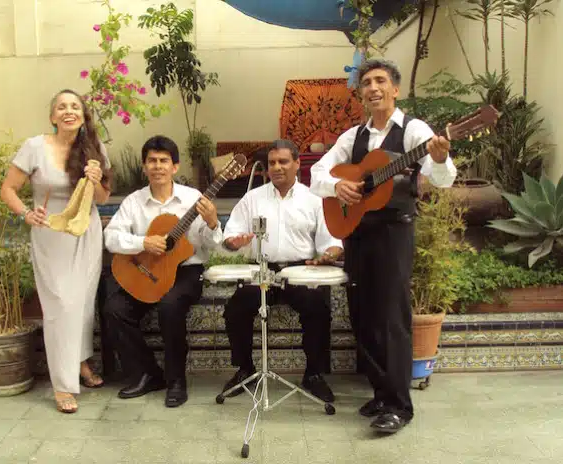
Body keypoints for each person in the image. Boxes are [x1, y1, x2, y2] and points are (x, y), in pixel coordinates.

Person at [309, 59, 457, 433]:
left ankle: (398, 405)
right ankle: (380, 392)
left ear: (395, 89)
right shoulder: (352, 136)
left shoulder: (414, 130)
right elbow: (316, 173)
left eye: (380, 81)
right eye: (366, 83)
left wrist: (438, 159)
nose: (372, 87)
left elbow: (442, 180)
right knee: (362, 315)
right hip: (357, 232)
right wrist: (336, 187)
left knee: (391, 317)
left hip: (393, 232)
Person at [0, 89, 112, 414]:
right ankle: (63, 385)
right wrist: (25, 213)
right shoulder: (35, 146)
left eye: (74, 106)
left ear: (82, 114)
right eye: (61, 107)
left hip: (85, 232)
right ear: (53, 116)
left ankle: (80, 363)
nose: (68, 111)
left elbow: (103, 198)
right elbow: (8, 189)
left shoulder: (94, 147)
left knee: (82, 303)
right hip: (51, 234)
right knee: (60, 304)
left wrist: (98, 179)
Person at [101, 135, 222, 408]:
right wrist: (142, 242)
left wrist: (213, 222)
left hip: (186, 273)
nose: (158, 166)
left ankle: (176, 380)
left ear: (175, 167)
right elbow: (111, 238)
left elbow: (213, 245)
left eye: (163, 161)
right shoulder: (133, 202)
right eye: (152, 161)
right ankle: (147, 373)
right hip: (148, 271)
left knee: (170, 306)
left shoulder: (195, 199)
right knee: (114, 308)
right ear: (144, 167)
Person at [220, 139, 343, 403]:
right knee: (236, 309)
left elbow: (330, 241)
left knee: (318, 310)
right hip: (262, 271)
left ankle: (313, 374)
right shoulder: (252, 198)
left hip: (300, 272)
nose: (277, 167)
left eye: (283, 161)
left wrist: (331, 253)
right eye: (272, 163)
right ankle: (245, 369)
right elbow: (230, 236)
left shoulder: (315, 199)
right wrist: (234, 242)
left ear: (297, 164)